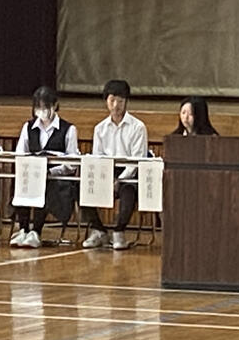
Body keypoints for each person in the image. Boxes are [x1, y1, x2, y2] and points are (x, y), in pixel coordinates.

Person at [82, 79, 148, 251]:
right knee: (81, 186)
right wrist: (105, 178)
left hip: (129, 172)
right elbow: (97, 157)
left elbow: (136, 160)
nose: (116, 105)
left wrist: (119, 180)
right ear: (106, 101)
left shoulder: (137, 127)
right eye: (112, 100)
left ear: (126, 102)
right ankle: (98, 230)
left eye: (120, 101)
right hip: (106, 171)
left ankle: (119, 231)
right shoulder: (100, 128)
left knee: (128, 190)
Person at [10, 86, 79, 249]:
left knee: (45, 184)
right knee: (21, 181)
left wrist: (52, 171)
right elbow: (20, 154)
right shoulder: (28, 127)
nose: (42, 111)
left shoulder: (68, 129)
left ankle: (36, 231)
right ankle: (24, 229)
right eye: (38, 107)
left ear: (55, 105)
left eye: (46, 107)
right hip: (32, 175)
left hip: (57, 180)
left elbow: (72, 162)